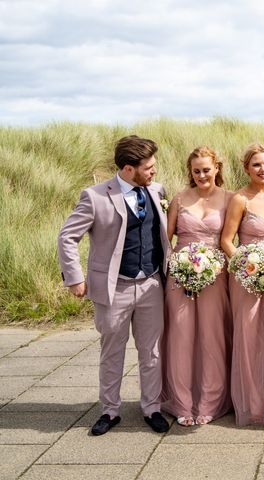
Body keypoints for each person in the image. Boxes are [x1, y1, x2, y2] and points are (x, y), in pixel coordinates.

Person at [58, 135, 170, 435]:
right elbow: (67, 237)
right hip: (113, 288)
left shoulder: (158, 191)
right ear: (128, 169)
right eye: (148, 167)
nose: (154, 172)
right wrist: (75, 278)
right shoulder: (94, 197)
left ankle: (152, 408)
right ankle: (109, 410)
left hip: (151, 285)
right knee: (112, 353)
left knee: (152, 352)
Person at [161, 146, 234, 426]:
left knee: (211, 337)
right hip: (180, 275)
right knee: (181, 336)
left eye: (207, 169)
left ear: (217, 168)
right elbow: (166, 240)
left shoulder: (230, 198)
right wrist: (175, 267)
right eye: (196, 171)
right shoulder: (179, 199)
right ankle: (182, 403)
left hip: (215, 275)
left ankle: (209, 402)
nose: (202, 175)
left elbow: (233, 237)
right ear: (190, 172)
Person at [220, 143, 264, 426]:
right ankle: (251, 404)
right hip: (247, 276)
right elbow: (226, 240)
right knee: (249, 337)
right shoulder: (239, 199)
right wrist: (248, 266)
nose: (263, 169)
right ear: (247, 168)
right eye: (257, 165)